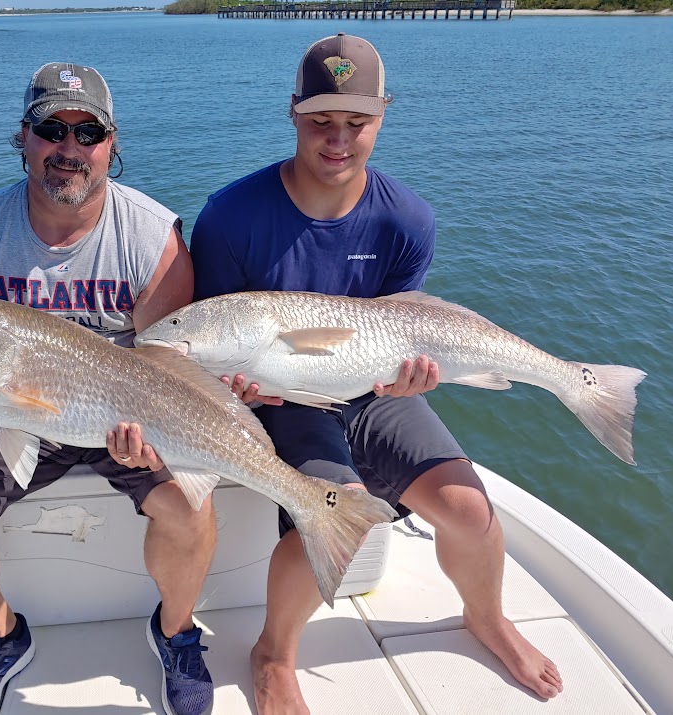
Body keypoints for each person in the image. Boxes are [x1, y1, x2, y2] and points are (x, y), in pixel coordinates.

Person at [189, 33, 564, 714]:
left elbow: (405, 323)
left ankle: (486, 615)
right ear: (292, 111)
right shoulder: (231, 216)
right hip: (285, 397)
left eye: (356, 122)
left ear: (382, 115)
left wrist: (416, 378)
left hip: (375, 386)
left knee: (470, 511)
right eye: (320, 121)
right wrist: (234, 386)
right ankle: (273, 652)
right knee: (334, 512)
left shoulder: (406, 217)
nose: (338, 139)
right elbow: (212, 342)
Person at [0, 63, 214, 715]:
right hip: (8, 404)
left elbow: (167, 369)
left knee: (190, 508)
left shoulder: (153, 239)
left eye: (86, 130)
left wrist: (146, 435)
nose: (68, 147)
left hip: (122, 407)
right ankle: (0, 634)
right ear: (23, 138)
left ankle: (175, 632)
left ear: (111, 144)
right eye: (49, 128)